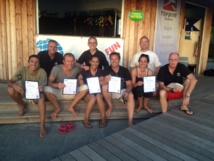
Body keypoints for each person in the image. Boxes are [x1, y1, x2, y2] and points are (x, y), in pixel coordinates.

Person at [7, 55, 47, 137]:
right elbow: (9, 82)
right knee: (10, 89)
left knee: (42, 97)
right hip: (23, 92)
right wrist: (15, 86)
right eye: (32, 61)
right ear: (28, 63)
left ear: (39, 64)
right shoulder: (22, 70)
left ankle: (42, 125)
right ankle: (22, 105)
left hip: (35, 95)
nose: (34, 64)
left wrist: (41, 88)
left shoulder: (42, 72)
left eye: (36, 62)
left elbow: (42, 87)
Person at [44, 53, 88, 119]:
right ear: (63, 61)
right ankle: (57, 108)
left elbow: (83, 68)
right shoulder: (56, 68)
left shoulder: (77, 68)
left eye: (72, 61)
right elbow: (49, 83)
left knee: (85, 87)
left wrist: (85, 69)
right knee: (46, 89)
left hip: (72, 93)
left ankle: (71, 106)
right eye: (68, 61)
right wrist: (57, 85)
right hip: (59, 92)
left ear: (75, 61)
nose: (70, 63)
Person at [102, 52, 135, 126]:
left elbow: (129, 85)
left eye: (116, 59)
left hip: (121, 95)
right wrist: (105, 80)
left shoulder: (125, 70)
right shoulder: (106, 70)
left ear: (119, 60)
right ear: (110, 60)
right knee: (104, 86)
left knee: (131, 95)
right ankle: (110, 106)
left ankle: (130, 120)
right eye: (112, 59)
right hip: (109, 95)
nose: (114, 61)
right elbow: (101, 83)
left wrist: (127, 91)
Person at [78, 55, 106, 128]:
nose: (95, 63)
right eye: (93, 61)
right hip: (88, 93)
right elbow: (79, 79)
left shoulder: (101, 71)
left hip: (98, 92)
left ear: (99, 63)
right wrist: (81, 81)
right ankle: (86, 118)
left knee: (99, 97)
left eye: (97, 62)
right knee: (93, 98)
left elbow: (102, 80)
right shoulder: (85, 71)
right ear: (90, 62)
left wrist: (102, 80)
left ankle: (103, 118)